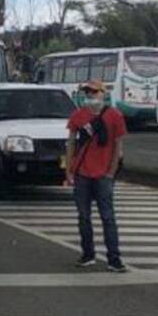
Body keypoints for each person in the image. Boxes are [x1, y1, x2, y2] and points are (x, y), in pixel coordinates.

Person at [65, 79, 127, 272]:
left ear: (103, 93)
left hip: (103, 174)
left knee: (107, 217)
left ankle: (114, 258)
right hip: (82, 172)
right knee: (84, 216)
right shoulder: (78, 116)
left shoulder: (115, 116)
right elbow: (71, 143)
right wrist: (69, 170)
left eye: (94, 92)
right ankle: (88, 254)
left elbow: (118, 147)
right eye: (88, 92)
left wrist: (111, 172)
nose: (90, 95)